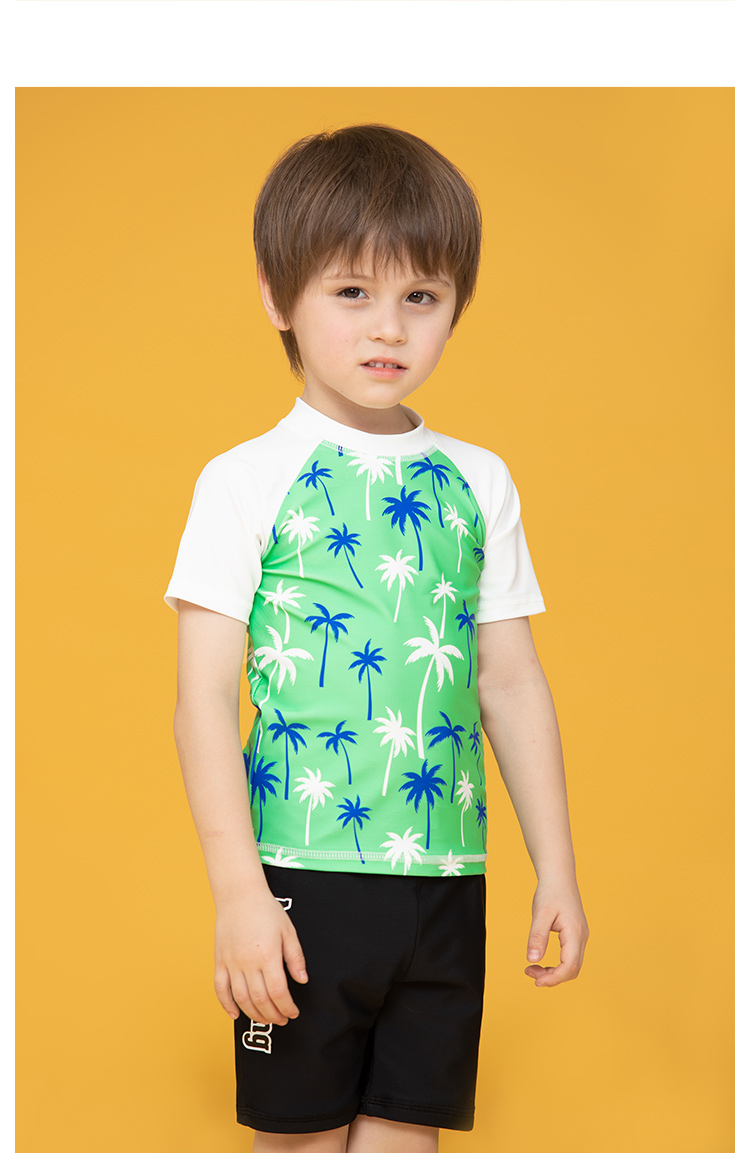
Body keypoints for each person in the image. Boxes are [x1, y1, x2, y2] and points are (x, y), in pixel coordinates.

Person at [164, 124, 589, 1153]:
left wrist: (557, 865)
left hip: (446, 884)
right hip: (301, 879)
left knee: (409, 1136)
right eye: (351, 291)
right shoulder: (246, 480)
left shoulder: (479, 480)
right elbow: (203, 700)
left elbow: (509, 683)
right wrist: (240, 893)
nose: (388, 326)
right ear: (279, 296)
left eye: (422, 296)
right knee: (303, 1138)